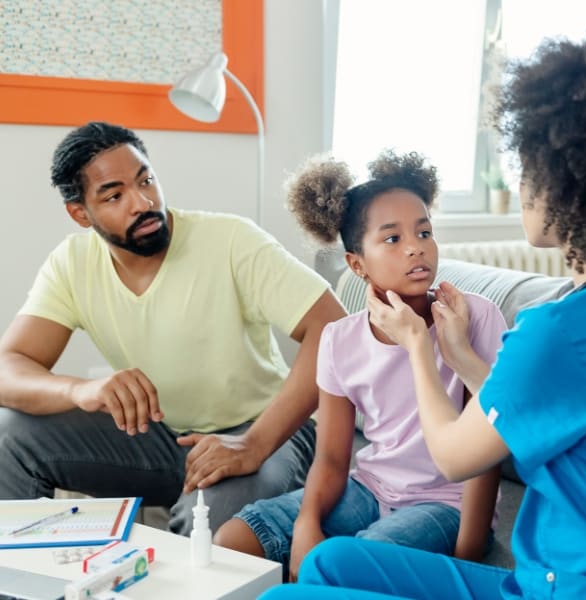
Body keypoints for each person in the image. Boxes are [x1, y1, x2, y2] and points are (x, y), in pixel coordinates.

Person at [260, 31, 586, 599]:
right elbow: (529, 409)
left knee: (282, 594)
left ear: (573, 182)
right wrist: (460, 355)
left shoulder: (560, 333)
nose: (520, 185)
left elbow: (455, 455)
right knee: (331, 564)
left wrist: (420, 346)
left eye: (531, 166)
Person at [0, 121, 346, 535]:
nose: (142, 202)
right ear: (80, 213)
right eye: (115, 195)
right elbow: (9, 367)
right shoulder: (72, 263)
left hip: (265, 432)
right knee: (10, 435)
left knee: (215, 520)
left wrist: (254, 444)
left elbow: (332, 327)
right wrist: (79, 390)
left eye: (146, 180)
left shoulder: (230, 239)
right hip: (164, 437)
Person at [213, 150, 507, 581]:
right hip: (369, 488)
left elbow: (486, 452)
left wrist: (468, 550)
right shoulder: (338, 339)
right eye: (392, 239)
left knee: (354, 562)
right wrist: (306, 524)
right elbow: (332, 458)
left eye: (424, 231)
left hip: (445, 503)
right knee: (232, 541)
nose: (415, 247)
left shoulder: (471, 317)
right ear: (356, 264)